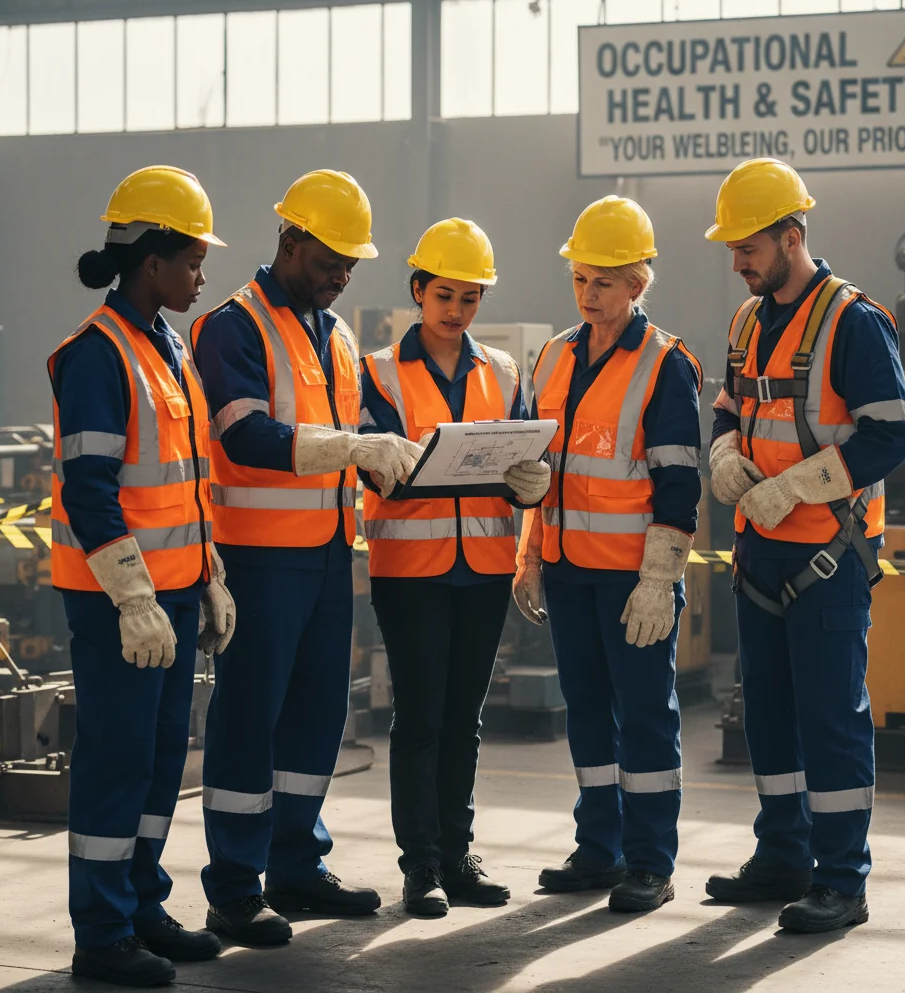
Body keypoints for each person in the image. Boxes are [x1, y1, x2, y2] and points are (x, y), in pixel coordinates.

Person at [190, 169, 422, 946]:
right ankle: (232, 887)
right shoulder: (231, 326)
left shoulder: (339, 332)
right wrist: (355, 445)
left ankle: (294, 865)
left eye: (351, 264)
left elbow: (362, 432)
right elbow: (244, 436)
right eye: (331, 260)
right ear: (290, 242)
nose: (342, 275)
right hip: (258, 561)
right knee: (249, 722)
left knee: (320, 718)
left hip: (327, 558)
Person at [703, 158, 905, 933]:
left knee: (830, 720)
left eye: (748, 247)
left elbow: (893, 435)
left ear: (792, 237)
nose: (737, 262)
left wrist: (796, 487)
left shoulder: (855, 322)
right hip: (760, 556)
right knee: (769, 717)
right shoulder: (745, 321)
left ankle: (842, 879)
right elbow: (728, 409)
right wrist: (724, 454)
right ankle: (784, 856)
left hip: (826, 559)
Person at [49, 166, 234, 987]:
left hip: (174, 596)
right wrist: (132, 596)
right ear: (152, 261)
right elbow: (87, 490)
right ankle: (102, 932)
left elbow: (186, 484)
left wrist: (210, 577)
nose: (202, 275)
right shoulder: (96, 356)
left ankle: (142, 904)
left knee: (162, 759)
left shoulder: (167, 348)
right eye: (193, 259)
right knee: (116, 762)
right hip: (119, 604)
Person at [513, 196, 702, 913]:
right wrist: (531, 559)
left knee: (646, 713)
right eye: (581, 279)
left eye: (606, 282)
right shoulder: (556, 356)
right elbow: (540, 469)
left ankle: (650, 860)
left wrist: (660, 580)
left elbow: (680, 485)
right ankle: (600, 849)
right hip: (565, 570)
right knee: (587, 710)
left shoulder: (666, 364)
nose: (590, 295)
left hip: (631, 579)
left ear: (638, 285)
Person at [360, 219, 549, 916]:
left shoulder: (501, 372)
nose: (456, 310)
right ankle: (422, 868)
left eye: (469, 298)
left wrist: (534, 479)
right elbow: (379, 470)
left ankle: (458, 856)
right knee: (419, 719)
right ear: (417, 291)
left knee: (464, 719)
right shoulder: (377, 373)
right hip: (410, 569)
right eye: (443, 294)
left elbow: (523, 454)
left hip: (484, 569)